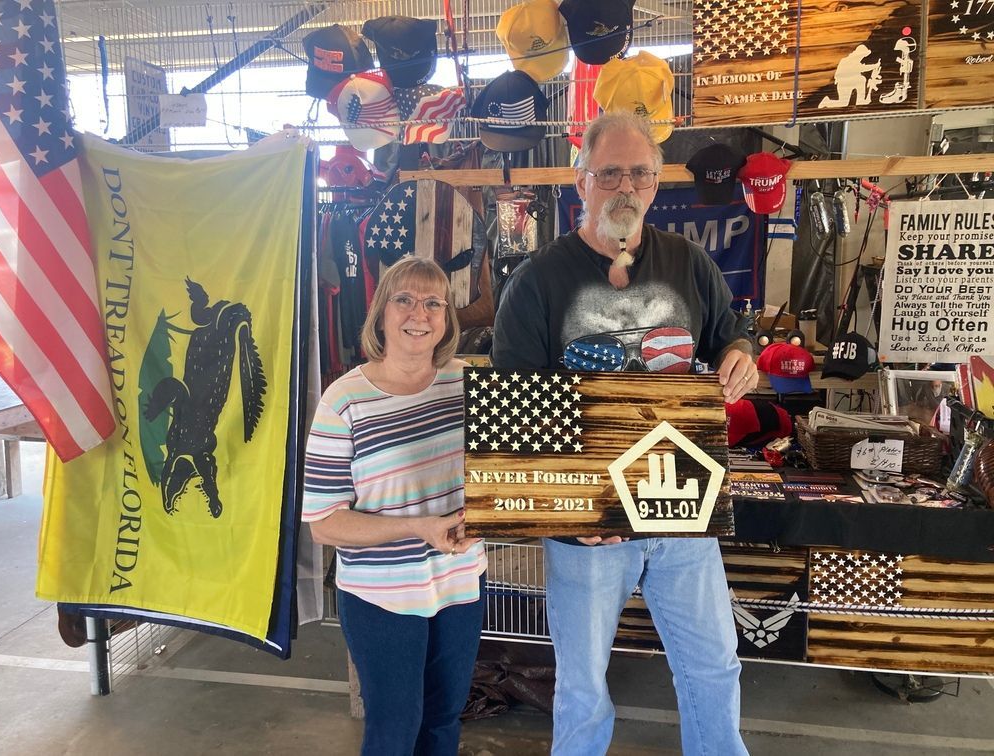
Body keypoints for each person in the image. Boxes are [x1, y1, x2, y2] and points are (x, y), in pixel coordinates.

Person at [492, 111, 754, 755]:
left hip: (680, 510)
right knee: (581, 687)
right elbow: (515, 418)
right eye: (610, 172)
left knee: (715, 667)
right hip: (590, 529)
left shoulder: (690, 263)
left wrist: (740, 357)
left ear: (658, 182)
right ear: (581, 181)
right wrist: (563, 513)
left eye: (640, 172)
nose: (626, 187)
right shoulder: (538, 281)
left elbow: (730, 337)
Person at [303, 257, 487, 756]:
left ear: (446, 319)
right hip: (382, 595)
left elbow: (495, 477)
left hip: (460, 582)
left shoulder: (467, 385)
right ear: (380, 313)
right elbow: (323, 524)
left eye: (433, 303)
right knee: (394, 728)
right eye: (403, 299)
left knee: (444, 719)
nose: (419, 313)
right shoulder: (344, 401)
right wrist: (419, 528)